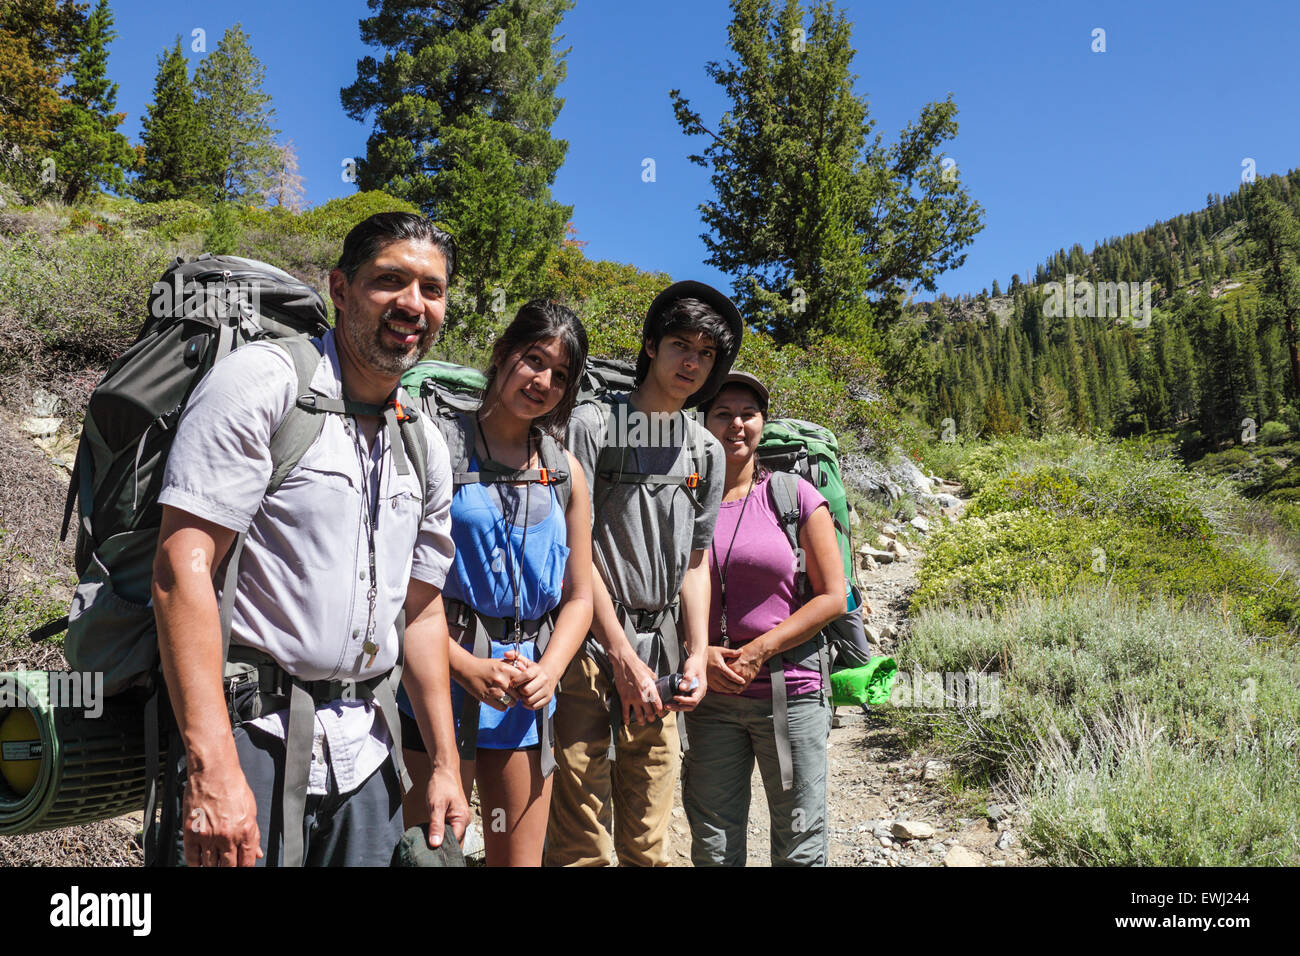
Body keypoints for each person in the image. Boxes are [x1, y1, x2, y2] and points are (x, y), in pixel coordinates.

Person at [151, 212, 470, 866]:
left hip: (368, 757)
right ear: (341, 289)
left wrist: (444, 763)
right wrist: (212, 769)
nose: (414, 304)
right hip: (249, 738)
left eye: (432, 290)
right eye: (391, 281)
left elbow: (423, 609)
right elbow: (181, 565)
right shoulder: (264, 383)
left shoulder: (424, 442)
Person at [545, 281, 741, 866]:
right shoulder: (594, 425)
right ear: (651, 347)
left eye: (706, 354)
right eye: (682, 345)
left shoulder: (706, 451)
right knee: (582, 830)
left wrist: (698, 653)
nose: (693, 363)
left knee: (650, 829)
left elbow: (695, 563)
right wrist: (620, 655)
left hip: (661, 649)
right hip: (585, 649)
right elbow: (571, 551)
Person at [397, 300, 593, 866]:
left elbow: (580, 594)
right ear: (503, 354)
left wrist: (550, 671)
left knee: (518, 860)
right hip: (436, 677)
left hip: (525, 687)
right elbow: (399, 585)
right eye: (534, 360)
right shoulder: (435, 446)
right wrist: (464, 665)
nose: (544, 382)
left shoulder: (564, 470)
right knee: (431, 854)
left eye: (561, 376)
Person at [683, 371, 845, 866]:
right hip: (710, 699)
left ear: (763, 424)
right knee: (713, 846)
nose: (735, 424)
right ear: (702, 423)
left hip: (790, 692)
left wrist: (758, 650)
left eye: (747, 414)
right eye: (722, 413)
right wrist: (699, 654)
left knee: (800, 843)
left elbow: (833, 597)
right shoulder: (684, 499)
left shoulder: (792, 496)